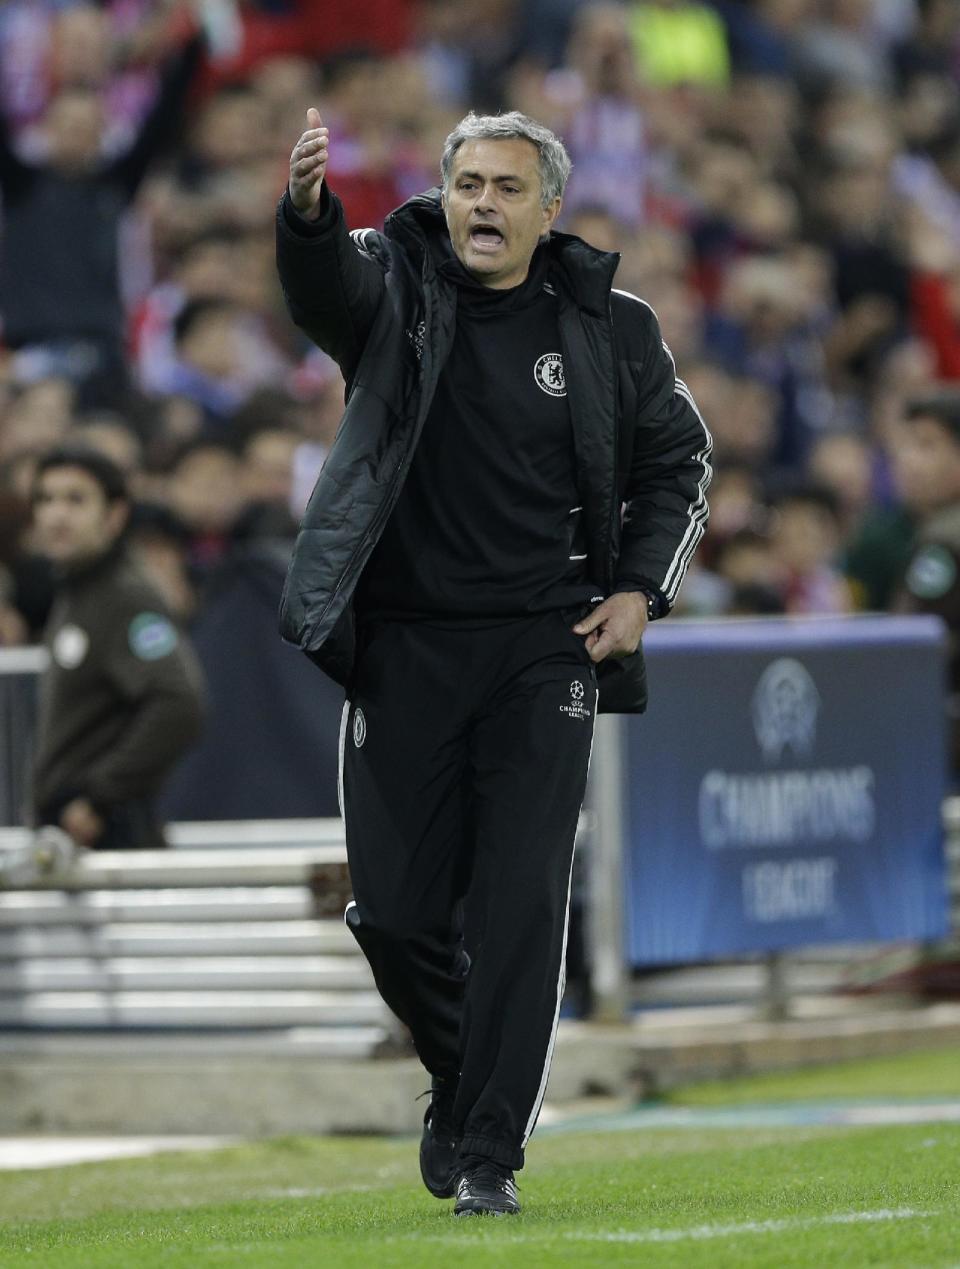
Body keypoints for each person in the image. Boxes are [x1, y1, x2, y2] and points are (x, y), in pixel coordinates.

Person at [276, 107, 711, 1215]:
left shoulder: (612, 326)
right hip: (405, 642)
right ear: (444, 192)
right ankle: (460, 1081)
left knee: (522, 904)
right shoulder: (396, 286)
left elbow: (679, 462)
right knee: (394, 918)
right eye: (467, 183)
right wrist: (310, 215)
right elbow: (328, 293)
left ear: (548, 208)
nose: (482, 203)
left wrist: (638, 589)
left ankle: (489, 1158)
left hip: (544, 645)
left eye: (507, 188)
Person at [30, 445, 205, 851]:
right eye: (45, 499)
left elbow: (178, 702)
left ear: (114, 515)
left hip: (108, 832)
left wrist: (99, 797)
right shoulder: (77, 589)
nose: (56, 514)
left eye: (75, 499)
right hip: (75, 830)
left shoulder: (124, 596)